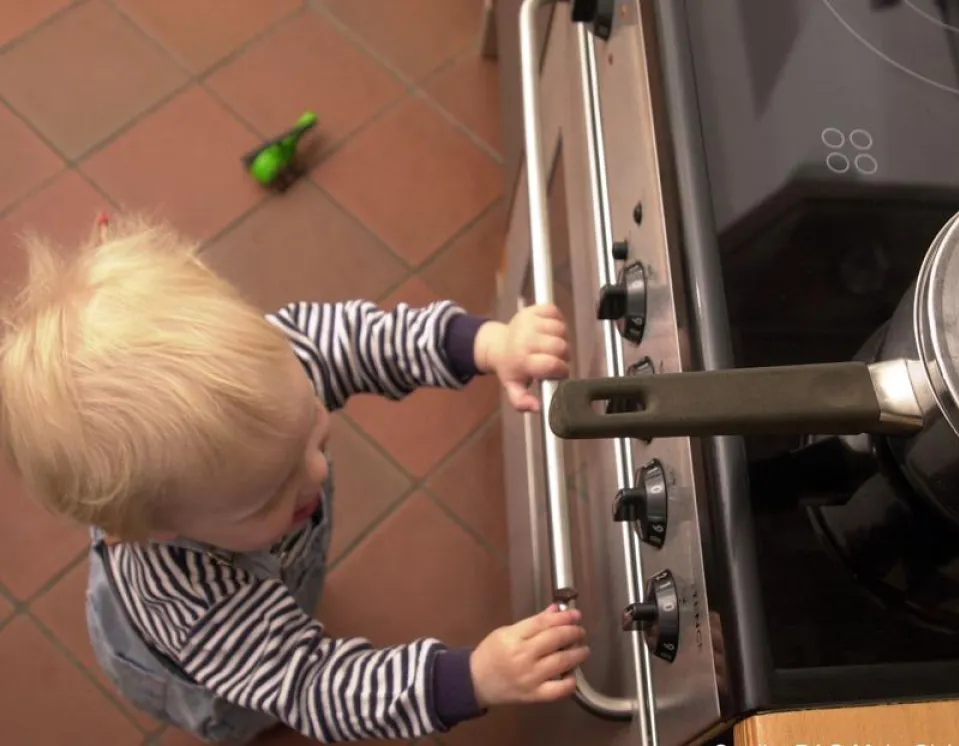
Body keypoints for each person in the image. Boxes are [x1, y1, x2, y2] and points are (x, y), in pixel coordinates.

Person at [0, 215, 588, 744]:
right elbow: (314, 686)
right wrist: (473, 679)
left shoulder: (266, 369)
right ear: (155, 529)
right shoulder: (194, 604)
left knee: (282, 610)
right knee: (255, 701)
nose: (318, 470)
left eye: (313, 424)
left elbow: (362, 341)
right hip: (199, 673)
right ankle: (250, 718)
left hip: (269, 584)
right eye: (268, 494)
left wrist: (488, 343)